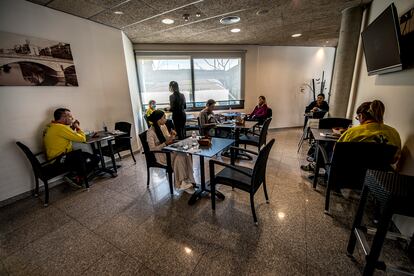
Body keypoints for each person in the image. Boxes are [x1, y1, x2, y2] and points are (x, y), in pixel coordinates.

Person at [43, 108, 97, 185]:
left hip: (54, 158)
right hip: (59, 160)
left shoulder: (52, 126)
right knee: (94, 158)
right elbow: (82, 138)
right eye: (70, 117)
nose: (72, 118)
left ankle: (75, 176)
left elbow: (64, 135)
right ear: (64, 117)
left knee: (83, 155)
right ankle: (76, 178)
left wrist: (72, 128)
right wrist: (77, 126)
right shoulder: (60, 128)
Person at [147, 110, 195, 192]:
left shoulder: (163, 126)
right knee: (181, 156)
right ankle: (181, 183)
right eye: (164, 118)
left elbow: (168, 139)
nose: (165, 119)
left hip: (168, 149)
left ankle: (188, 178)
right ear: (158, 120)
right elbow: (152, 148)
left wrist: (172, 135)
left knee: (186, 153)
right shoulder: (150, 132)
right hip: (161, 155)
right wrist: (165, 144)